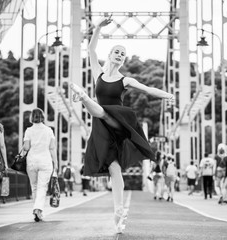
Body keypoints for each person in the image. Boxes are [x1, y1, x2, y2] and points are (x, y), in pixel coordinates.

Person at [70, 16, 175, 233]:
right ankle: (119, 212)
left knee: (102, 112)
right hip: (101, 128)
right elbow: (90, 49)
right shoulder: (97, 73)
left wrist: (167, 95)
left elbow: (147, 89)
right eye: (116, 51)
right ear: (110, 55)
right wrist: (98, 27)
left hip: (117, 123)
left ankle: (83, 97)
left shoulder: (124, 80)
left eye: (123, 54)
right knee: (115, 170)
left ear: (123, 60)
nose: (119, 55)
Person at [22, 108, 58, 222]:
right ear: (43, 116)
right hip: (45, 161)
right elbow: (52, 148)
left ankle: (37, 210)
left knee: (34, 187)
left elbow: (26, 148)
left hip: (32, 161)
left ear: (32, 117)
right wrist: (56, 163)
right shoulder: (49, 130)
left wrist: (24, 146)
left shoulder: (28, 130)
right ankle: (38, 209)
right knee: (42, 187)